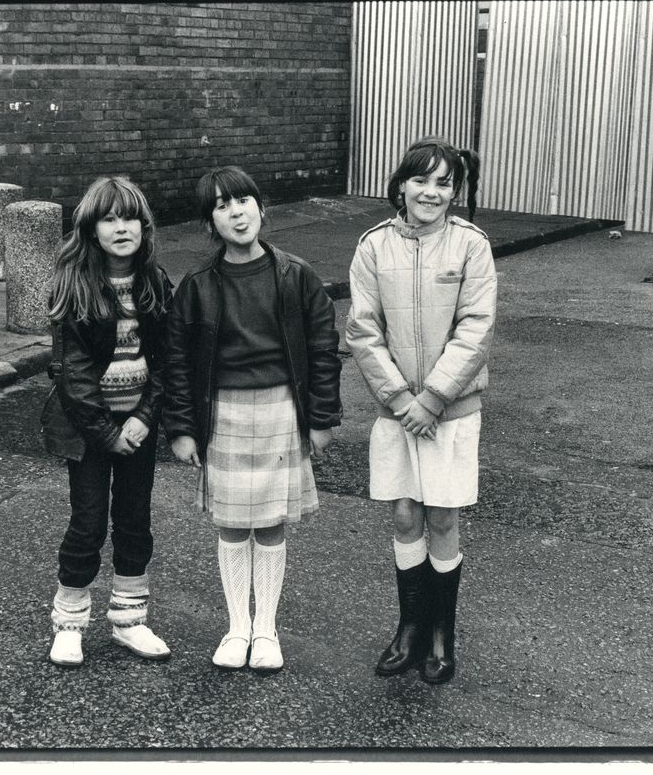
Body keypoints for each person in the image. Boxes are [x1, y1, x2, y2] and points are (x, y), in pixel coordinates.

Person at [163, 165, 342, 673]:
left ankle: (266, 630)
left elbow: (323, 350)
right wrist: (181, 427)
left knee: (270, 526)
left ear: (261, 208)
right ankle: (236, 627)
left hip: (282, 410)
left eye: (243, 201)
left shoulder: (297, 275)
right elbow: (177, 363)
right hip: (223, 413)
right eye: (221, 206)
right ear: (210, 222)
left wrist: (321, 417)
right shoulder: (196, 285)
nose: (236, 212)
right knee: (231, 526)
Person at [345, 136, 496, 684]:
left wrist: (432, 398)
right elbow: (363, 329)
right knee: (405, 514)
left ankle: (441, 634)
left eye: (443, 183)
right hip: (396, 410)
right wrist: (400, 399)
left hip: (451, 411)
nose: (431, 192)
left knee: (442, 516)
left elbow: (476, 329)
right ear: (401, 185)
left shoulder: (471, 246)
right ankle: (410, 629)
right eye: (421, 180)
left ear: (454, 192)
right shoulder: (372, 246)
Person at [41, 175, 174, 668]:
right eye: (109, 218)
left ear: (145, 226)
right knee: (88, 521)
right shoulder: (73, 285)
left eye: (130, 218)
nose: (122, 227)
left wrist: (143, 417)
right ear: (91, 229)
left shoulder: (155, 282)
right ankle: (69, 623)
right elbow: (71, 373)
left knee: (135, 521)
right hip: (89, 432)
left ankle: (130, 620)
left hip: (137, 428)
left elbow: (165, 359)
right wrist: (107, 434)